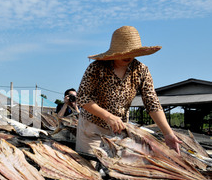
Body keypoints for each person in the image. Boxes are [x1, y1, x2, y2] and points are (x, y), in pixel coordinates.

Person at [75, 25, 181, 155]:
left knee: (117, 168)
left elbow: (152, 103)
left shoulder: (141, 70)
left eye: (131, 52)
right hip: (92, 127)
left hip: (119, 129)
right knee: (91, 166)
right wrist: (107, 116)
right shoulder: (97, 68)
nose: (128, 56)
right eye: (124, 52)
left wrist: (168, 133)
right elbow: (82, 98)